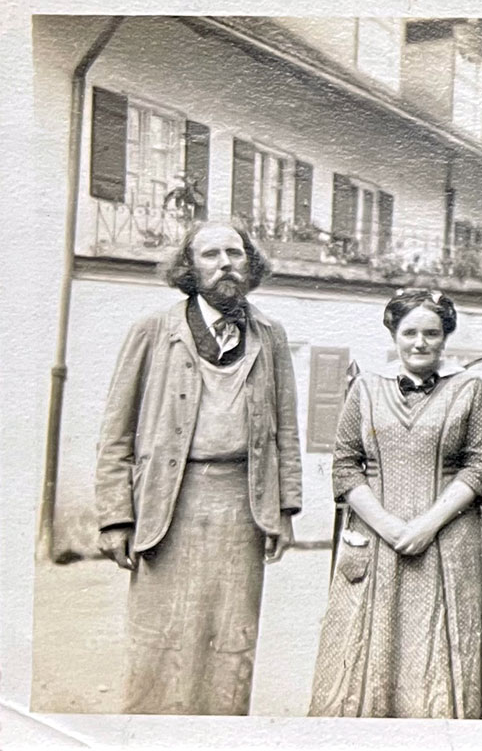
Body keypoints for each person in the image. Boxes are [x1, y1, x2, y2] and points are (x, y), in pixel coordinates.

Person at [94, 220, 302, 715]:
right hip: (169, 501)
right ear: (189, 267)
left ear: (250, 264)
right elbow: (116, 431)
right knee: (159, 640)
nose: (225, 263)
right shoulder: (153, 331)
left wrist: (285, 509)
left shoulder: (270, 334)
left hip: (242, 507)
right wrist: (115, 516)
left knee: (230, 640)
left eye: (235, 252)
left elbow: (286, 429)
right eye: (211, 254)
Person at [309, 289, 482, 719]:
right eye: (409, 331)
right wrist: (390, 527)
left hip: (446, 543)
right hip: (377, 544)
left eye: (431, 333)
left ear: (444, 336)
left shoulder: (470, 390)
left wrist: (426, 526)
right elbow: (344, 465)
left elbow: (480, 465)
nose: (420, 342)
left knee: (437, 657)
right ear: (393, 333)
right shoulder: (365, 388)